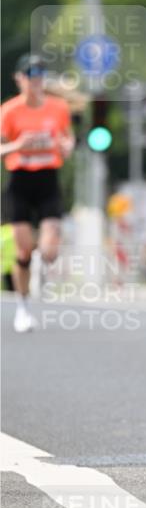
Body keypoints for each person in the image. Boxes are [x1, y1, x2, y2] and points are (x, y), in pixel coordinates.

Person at [0, 54, 74, 333]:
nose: (36, 81)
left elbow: (67, 137)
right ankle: (23, 307)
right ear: (19, 79)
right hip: (19, 182)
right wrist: (18, 144)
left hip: (48, 179)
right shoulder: (9, 111)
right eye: (30, 76)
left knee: (49, 249)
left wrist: (67, 146)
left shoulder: (58, 108)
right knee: (23, 249)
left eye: (40, 75)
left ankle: (44, 267)